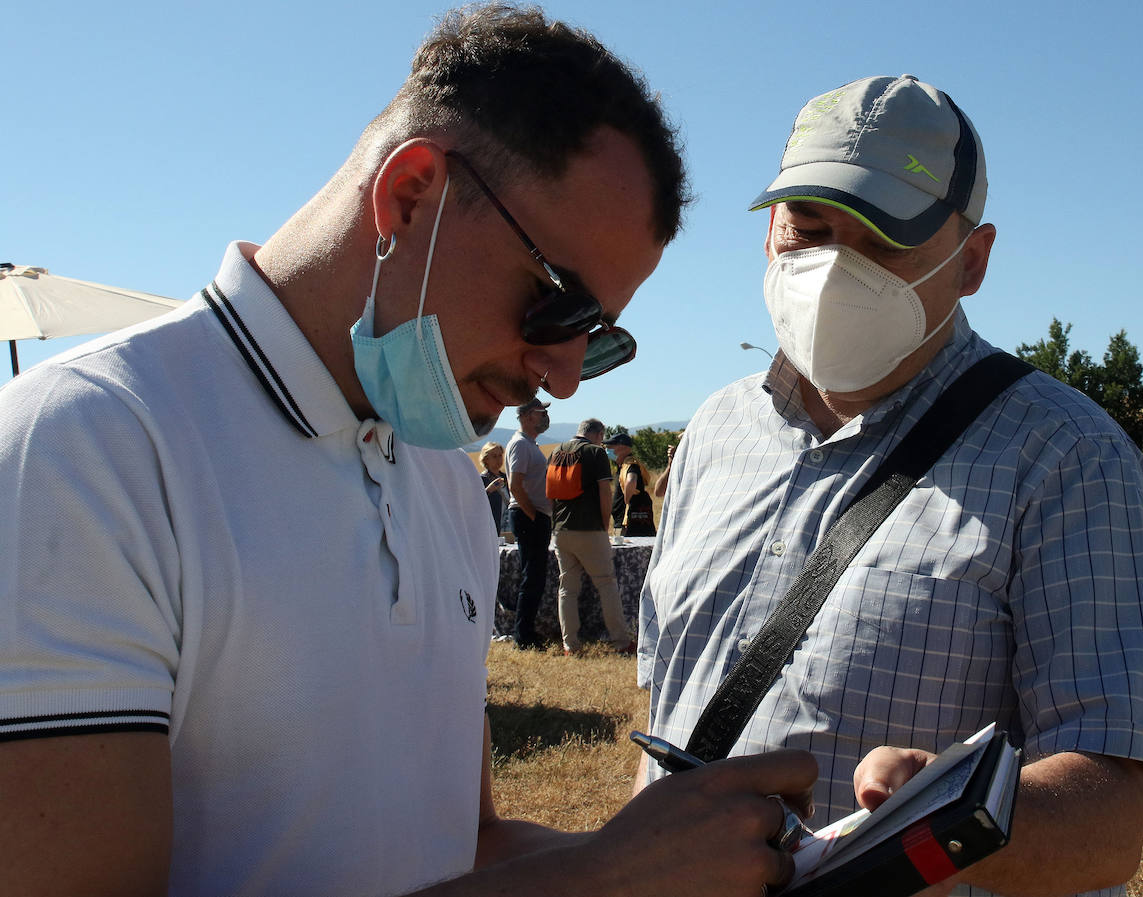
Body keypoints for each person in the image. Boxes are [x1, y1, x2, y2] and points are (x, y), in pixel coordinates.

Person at [0, 6, 819, 896]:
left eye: (600, 339)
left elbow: (464, 845)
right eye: (561, 309)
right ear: (409, 193)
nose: (566, 375)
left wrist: (701, 861)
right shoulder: (88, 449)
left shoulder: (441, 476)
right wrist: (602, 880)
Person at [637, 75, 1143, 897]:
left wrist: (958, 816)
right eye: (810, 230)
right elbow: (666, 705)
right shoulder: (716, 432)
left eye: (883, 242)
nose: (832, 273)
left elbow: (1107, 822)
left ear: (973, 261)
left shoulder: (1068, 460)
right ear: (767, 237)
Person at [548, 418, 636, 655]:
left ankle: (570, 645)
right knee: (606, 583)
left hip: (561, 530)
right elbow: (604, 492)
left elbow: (550, 493)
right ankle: (620, 642)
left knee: (567, 587)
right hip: (589, 529)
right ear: (598, 434)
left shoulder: (557, 451)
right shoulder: (595, 453)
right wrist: (603, 523)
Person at [505, 396, 554, 647]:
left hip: (533, 515)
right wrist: (533, 515)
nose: (544, 416)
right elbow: (515, 484)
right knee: (532, 577)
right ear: (526, 416)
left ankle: (526, 632)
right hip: (528, 515)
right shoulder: (521, 445)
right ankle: (523, 636)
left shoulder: (530, 444)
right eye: (540, 412)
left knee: (534, 577)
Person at [607, 431, 656, 536]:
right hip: (624, 523)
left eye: (611, 446)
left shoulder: (630, 465)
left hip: (629, 525)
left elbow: (631, 480)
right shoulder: (623, 465)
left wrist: (626, 499)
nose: (608, 448)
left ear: (623, 448)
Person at [478, 440, 509, 533]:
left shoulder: (506, 477)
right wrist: (488, 490)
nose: (498, 459)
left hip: (508, 525)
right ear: (486, 459)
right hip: (492, 526)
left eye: (500, 456)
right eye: (494, 456)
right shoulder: (481, 479)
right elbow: (476, 502)